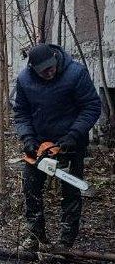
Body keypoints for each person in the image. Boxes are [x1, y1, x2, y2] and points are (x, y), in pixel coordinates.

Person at [13, 42, 101, 251]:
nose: (49, 72)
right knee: (30, 189)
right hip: (39, 144)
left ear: (55, 59)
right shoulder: (24, 80)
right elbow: (21, 112)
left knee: (71, 191)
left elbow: (91, 106)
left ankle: (65, 242)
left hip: (70, 143)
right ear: (33, 68)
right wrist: (28, 138)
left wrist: (74, 134)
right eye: (43, 71)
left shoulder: (76, 73)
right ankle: (35, 235)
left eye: (51, 68)